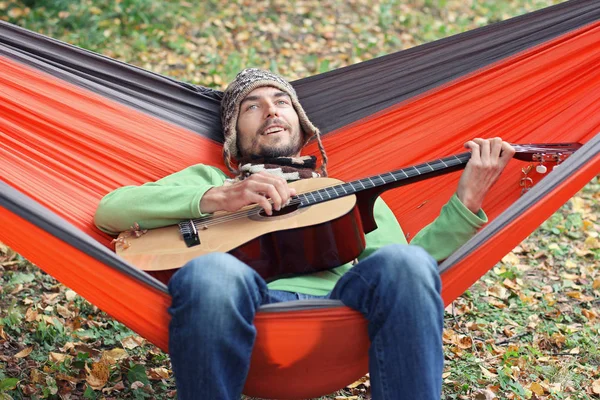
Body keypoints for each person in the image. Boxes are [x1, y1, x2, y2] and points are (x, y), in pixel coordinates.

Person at [94, 68, 515, 400]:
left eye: (281, 102)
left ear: (301, 123)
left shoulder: (345, 195)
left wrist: (467, 202)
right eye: (252, 107)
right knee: (211, 273)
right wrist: (217, 197)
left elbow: (405, 274)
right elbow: (110, 211)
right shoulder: (207, 179)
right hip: (241, 305)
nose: (272, 111)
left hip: (337, 314)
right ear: (233, 137)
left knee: (407, 263)